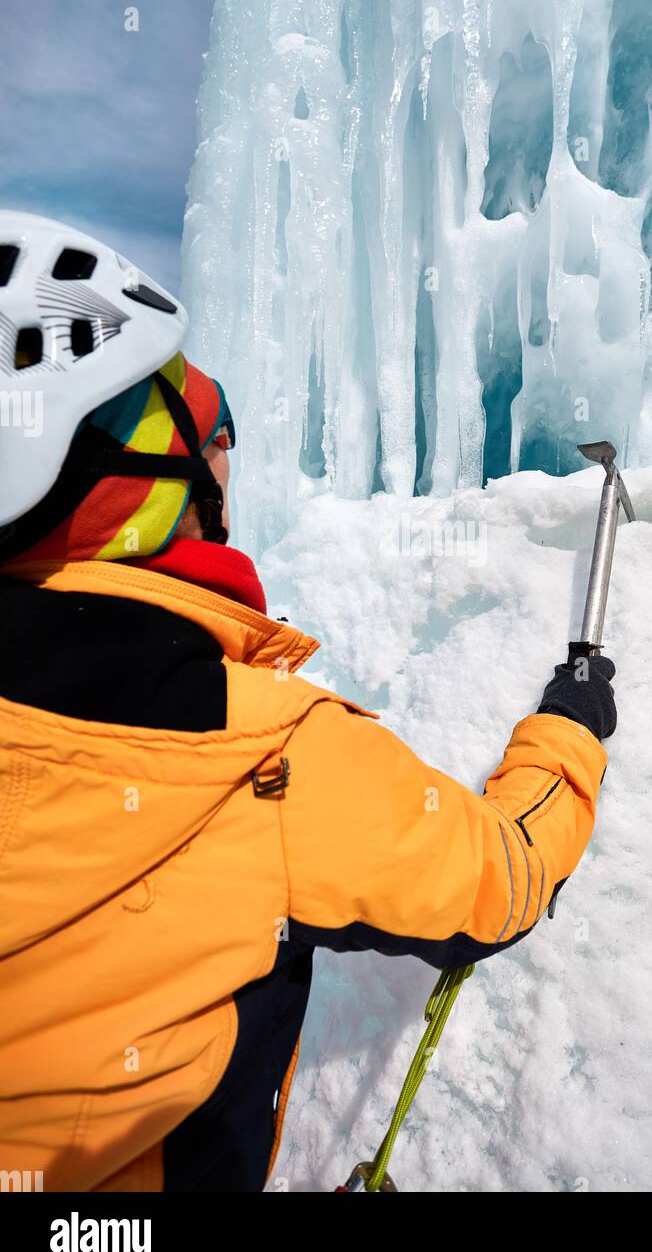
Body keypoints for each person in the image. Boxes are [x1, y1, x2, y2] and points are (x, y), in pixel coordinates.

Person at [0, 211, 616, 1192]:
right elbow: (501, 877)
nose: (228, 458)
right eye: (212, 428)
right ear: (143, 476)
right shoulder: (261, 756)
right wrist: (569, 728)